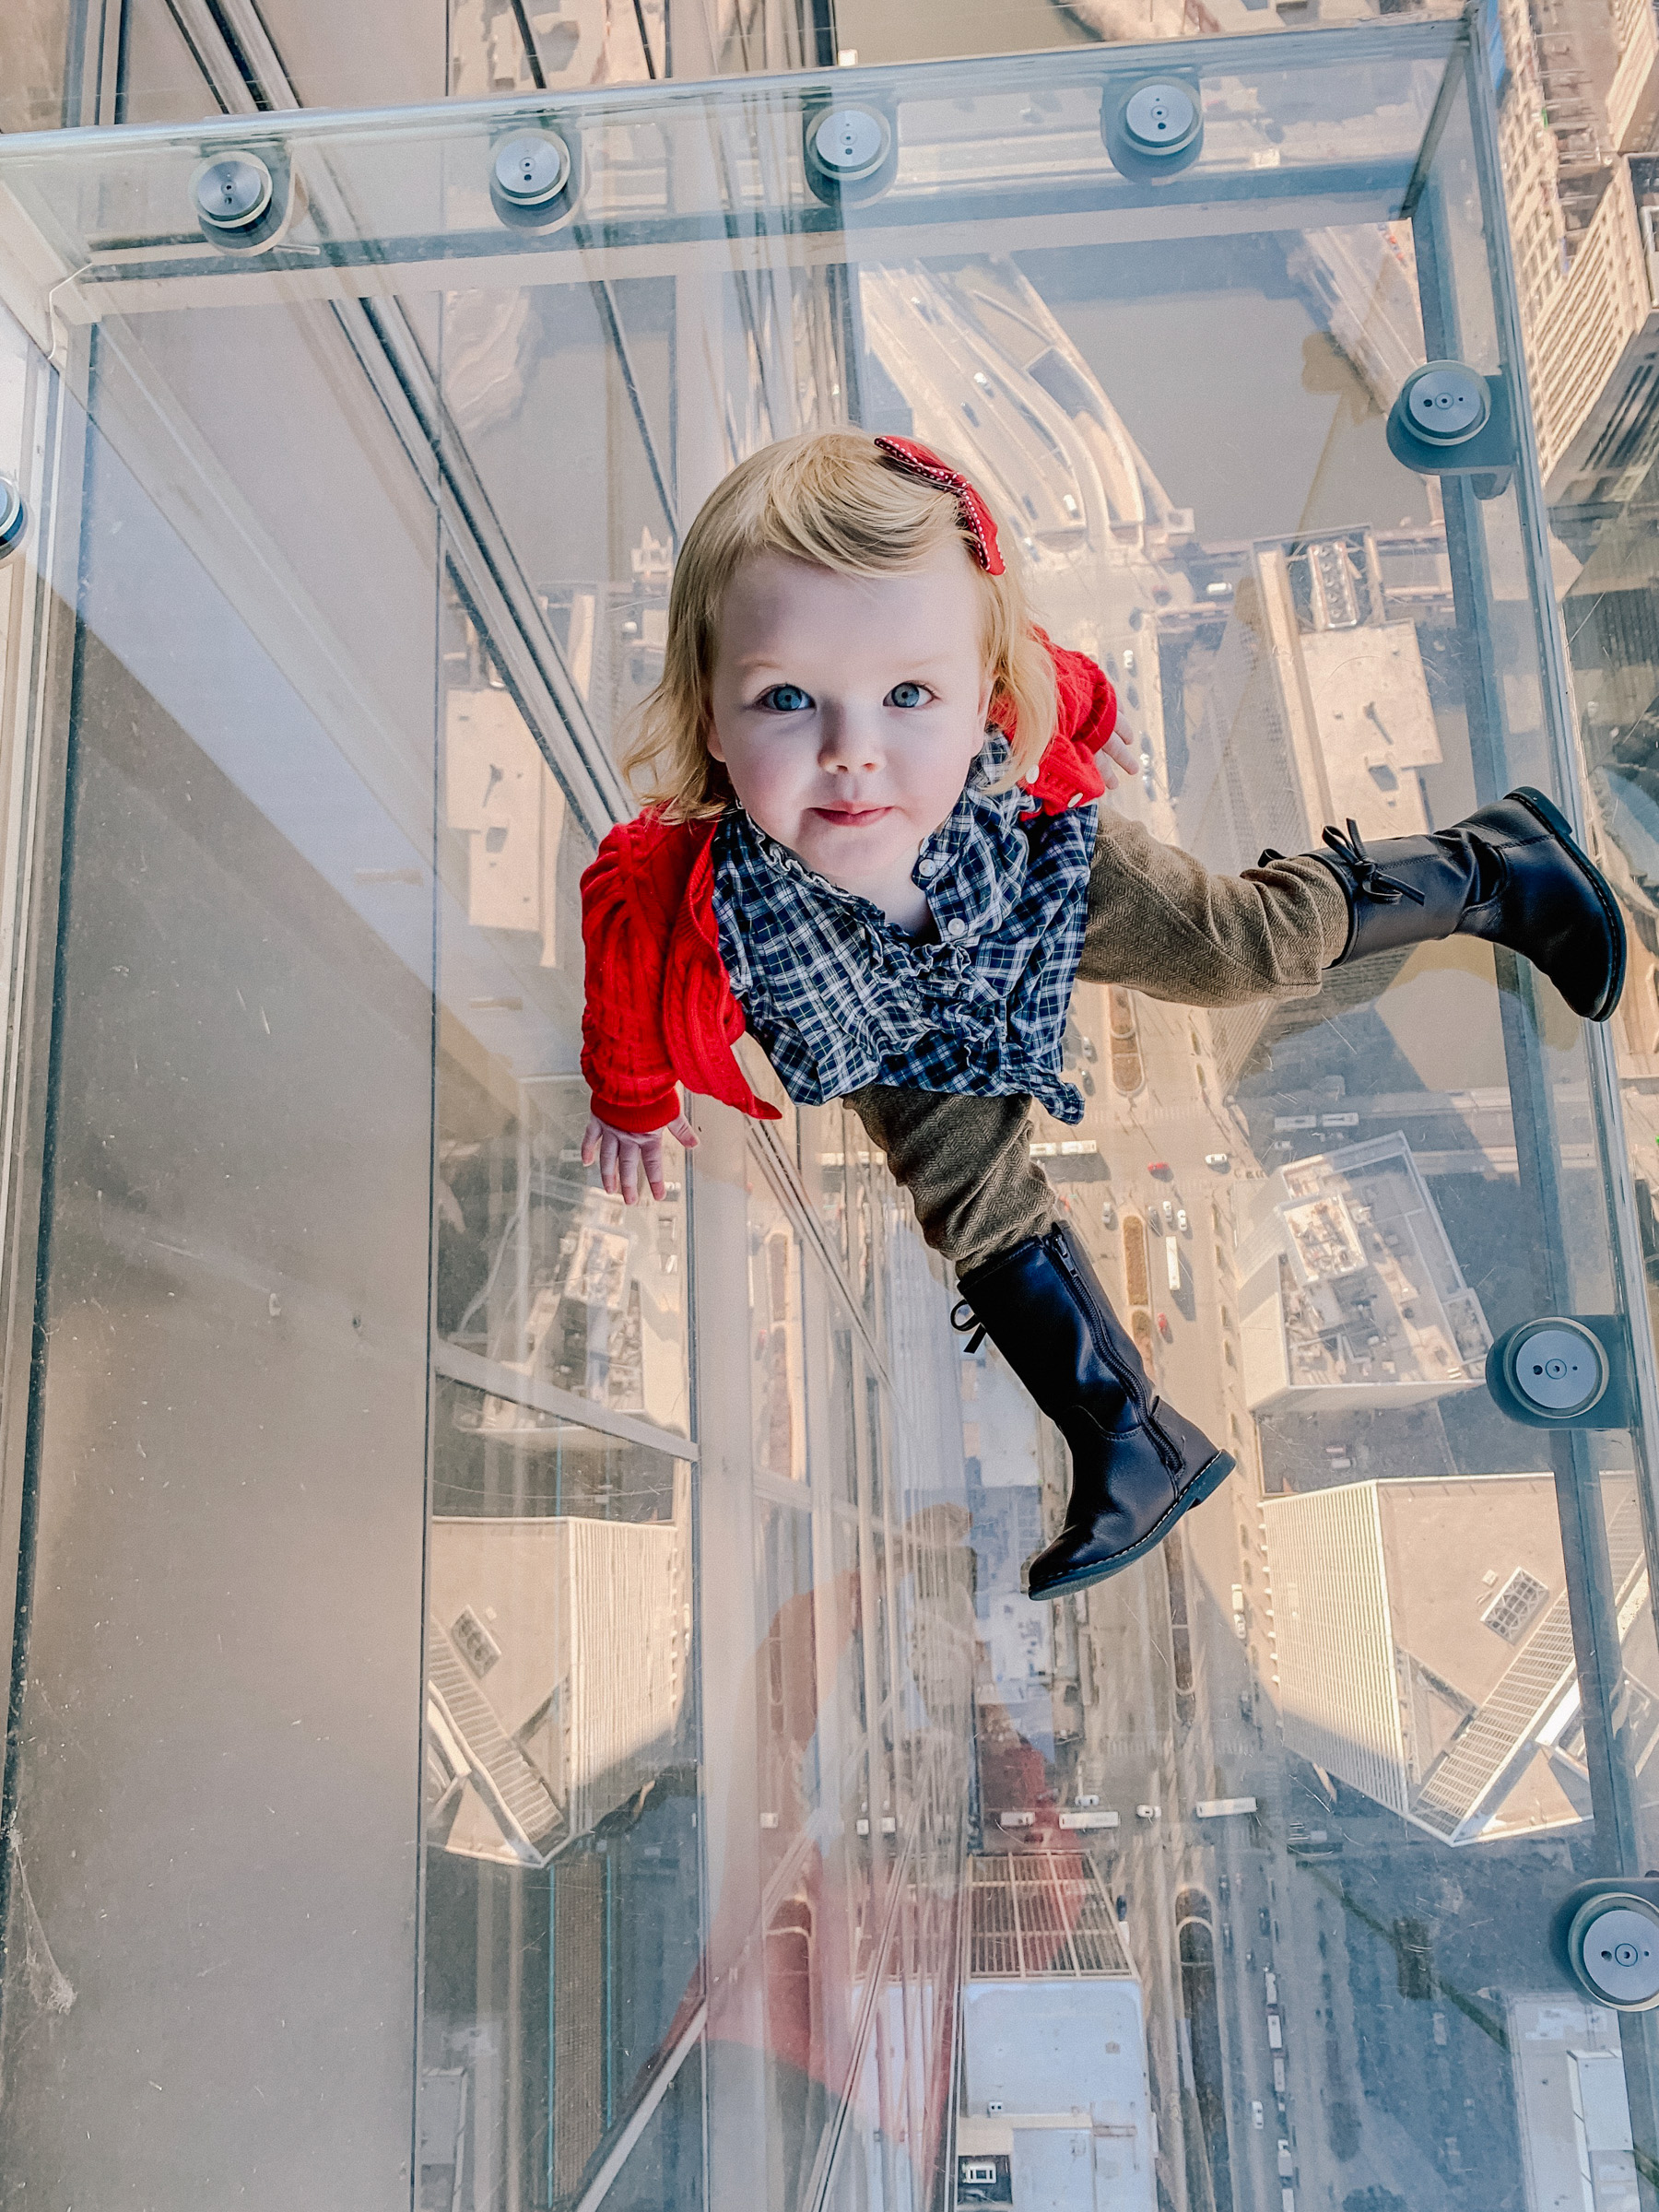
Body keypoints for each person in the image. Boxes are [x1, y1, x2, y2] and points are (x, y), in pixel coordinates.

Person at [579, 429, 1625, 1600]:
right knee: (972, 1208)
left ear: (982, 701)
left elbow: (1058, 680)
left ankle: (1489, 868)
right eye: (784, 700)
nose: (853, 754)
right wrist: (629, 1098)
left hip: (1028, 874)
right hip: (875, 1014)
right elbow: (623, 991)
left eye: (908, 695)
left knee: (1240, 948)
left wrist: (1088, 719)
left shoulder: (1004, 738)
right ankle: (1131, 1438)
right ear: (711, 722)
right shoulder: (673, 893)